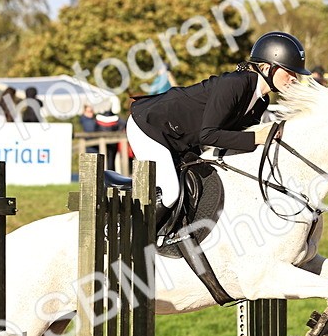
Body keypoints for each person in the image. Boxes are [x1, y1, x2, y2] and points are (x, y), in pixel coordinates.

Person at [127, 31, 308, 226]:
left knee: (199, 185)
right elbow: (208, 135)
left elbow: (234, 138)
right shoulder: (235, 84)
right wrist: (257, 137)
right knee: (171, 192)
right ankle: (134, 236)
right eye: (289, 71)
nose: (294, 78)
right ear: (266, 68)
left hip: (180, 139)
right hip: (150, 127)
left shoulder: (261, 101)